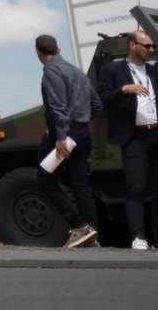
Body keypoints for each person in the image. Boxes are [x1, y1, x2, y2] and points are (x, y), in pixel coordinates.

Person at [36, 33, 100, 248]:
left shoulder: (51, 72)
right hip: (83, 133)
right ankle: (91, 234)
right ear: (58, 50)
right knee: (80, 184)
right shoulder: (78, 73)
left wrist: (62, 136)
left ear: (38, 53)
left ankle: (80, 226)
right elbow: (97, 105)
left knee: (45, 177)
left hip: (64, 134)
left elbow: (58, 107)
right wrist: (81, 121)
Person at [99, 28, 158, 250]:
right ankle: (138, 237)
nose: (151, 50)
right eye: (147, 46)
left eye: (153, 46)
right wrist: (124, 90)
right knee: (136, 187)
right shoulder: (113, 70)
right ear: (132, 46)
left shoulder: (154, 72)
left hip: (156, 133)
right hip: (134, 136)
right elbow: (101, 100)